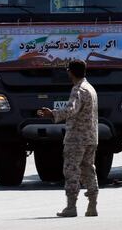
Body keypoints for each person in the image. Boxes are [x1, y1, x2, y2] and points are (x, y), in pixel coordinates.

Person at [37, 60, 99, 218]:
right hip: (91, 137)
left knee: (72, 171)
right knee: (89, 170)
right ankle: (92, 205)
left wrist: (53, 113)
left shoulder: (78, 90)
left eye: (68, 70)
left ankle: (71, 207)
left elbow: (71, 109)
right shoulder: (90, 88)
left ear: (71, 72)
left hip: (77, 138)